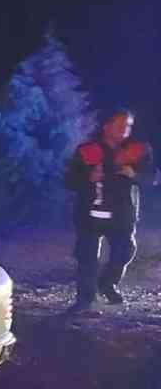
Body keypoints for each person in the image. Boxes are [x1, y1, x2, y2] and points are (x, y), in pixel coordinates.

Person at [66, 108, 156, 312]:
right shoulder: (87, 150)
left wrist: (134, 173)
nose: (125, 129)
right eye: (120, 124)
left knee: (124, 252)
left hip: (122, 216)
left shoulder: (137, 150)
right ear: (107, 125)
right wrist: (88, 178)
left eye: (129, 125)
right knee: (87, 257)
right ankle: (84, 299)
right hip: (89, 214)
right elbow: (69, 180)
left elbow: (153, 177)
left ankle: (107, 284)